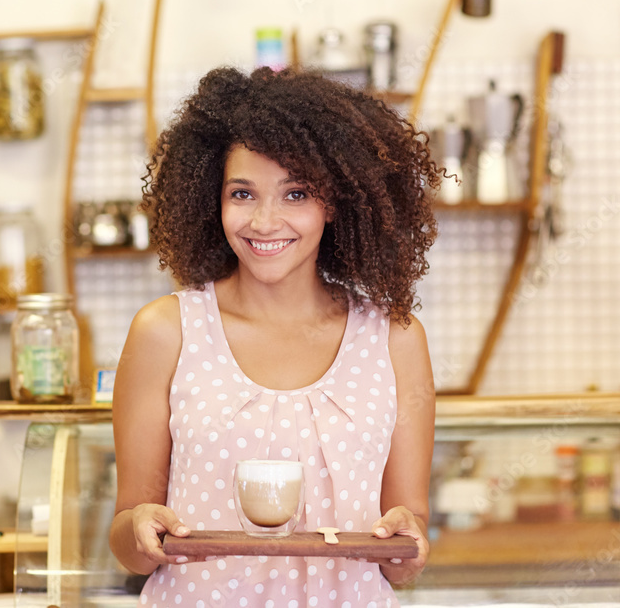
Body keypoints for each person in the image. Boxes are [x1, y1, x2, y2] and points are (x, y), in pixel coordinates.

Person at [109, 66, 440, 607]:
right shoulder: (165, 332)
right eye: (243, 193)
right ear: (209, 199)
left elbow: (404, 560)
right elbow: (127, 538)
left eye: (296, 194)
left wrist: (408, 537)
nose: (264, 221)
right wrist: (141, 528)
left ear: (336, 203)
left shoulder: (395, 339)